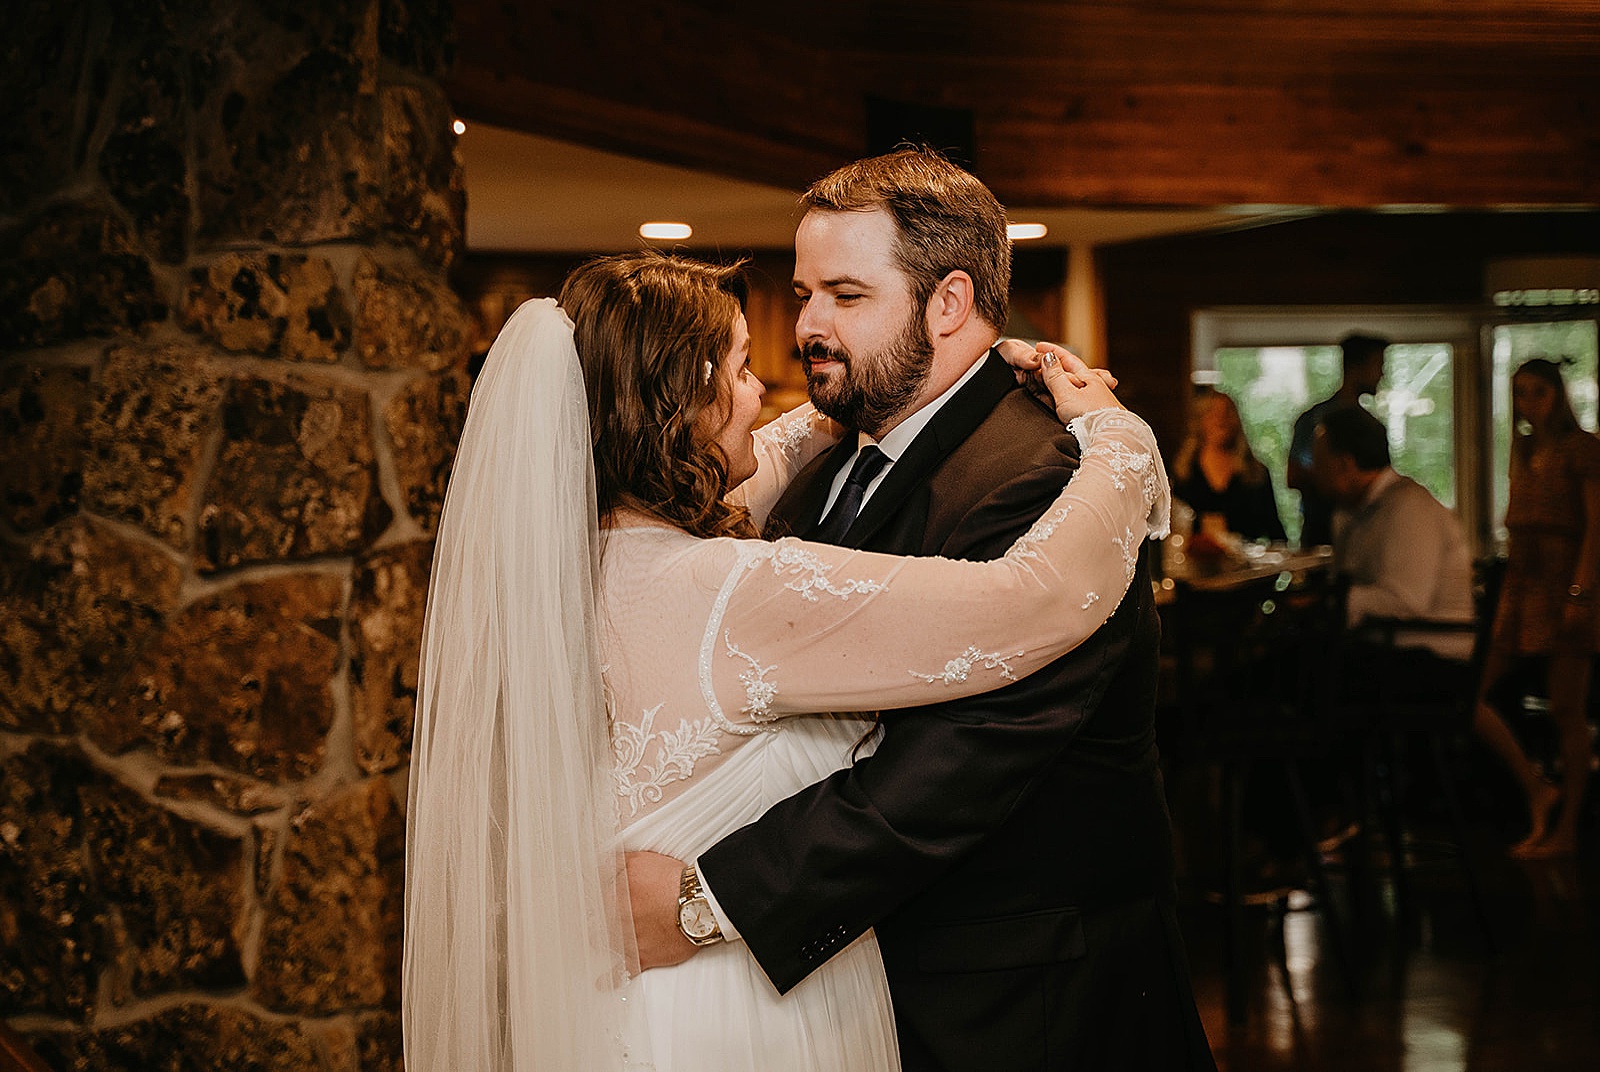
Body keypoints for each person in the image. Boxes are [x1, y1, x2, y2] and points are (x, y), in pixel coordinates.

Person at [401, 249, 1172, 1071]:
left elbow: (773, 447)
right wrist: (1119, 435)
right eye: (738, 368)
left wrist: (944, 372)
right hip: (731, 1015)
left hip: (614, 1010)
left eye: (844, 294)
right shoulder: (735, 589)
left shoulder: (562, 569)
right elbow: (1038, 595)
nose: (762, 391)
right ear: (683, 397)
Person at [629, 150, 1216, 1071]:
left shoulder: (1048, 476)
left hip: (1023, 1001)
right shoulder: (827, 458)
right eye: (803, 292)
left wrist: (714, 899)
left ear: (947, 303)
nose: (809, 327)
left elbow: (957, 767)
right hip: (872, 987)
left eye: (846, 296)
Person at [1473, 357, 1600, 859]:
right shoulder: (1524, 448)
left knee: (1567, 707)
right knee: (1472, 692)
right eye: (1521, 393)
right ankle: (1536, 787)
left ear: (1557, 394)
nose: (1529, 403)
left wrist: (1580, 592)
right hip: (1521, 586)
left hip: (1565, 581)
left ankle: (1568, 829)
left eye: (1538, 392)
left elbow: (1595, 527)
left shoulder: (1582, 449)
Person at [1313, 402, 1475, 689]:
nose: (1313, 471)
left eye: (1319, 461)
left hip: (1430, 656)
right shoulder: (1353, 513)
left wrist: (1330, 601)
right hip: (1391, 648)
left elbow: (1405, 600)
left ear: (1345, 464)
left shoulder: (1408, 509)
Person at [1288, 332, 1388, 546]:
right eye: (1378, 365)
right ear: (1357, 367)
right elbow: (1294, 476)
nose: (1382, 374)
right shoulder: (1315, 420)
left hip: (1365, 532)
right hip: (1322, 534)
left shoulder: (1371, 426)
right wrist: (1337, 480)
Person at [1171, 386, 1286, 542]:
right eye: (1213, 413)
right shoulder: (1183, 472)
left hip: (1246, 564)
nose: (1221, 419)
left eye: (1227, 413)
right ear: (1200, 420)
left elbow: (1275, 532)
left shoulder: (1256, 472)